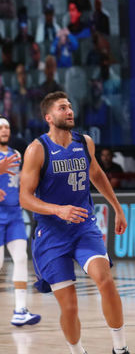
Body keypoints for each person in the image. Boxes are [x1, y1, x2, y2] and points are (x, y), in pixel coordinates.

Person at [19, 91, 130, 354]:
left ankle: (120, 348)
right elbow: (24, 198)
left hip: (83, 227)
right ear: (48, 117)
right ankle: (77, 351)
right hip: (51, 234)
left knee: (105, 280)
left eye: (69, 106)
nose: (69, 111)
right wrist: (58, 210)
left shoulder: (85, 142)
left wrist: (117, 208)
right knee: (69, 306)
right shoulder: (37, 149)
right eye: (61, 108)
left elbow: (97, 175)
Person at [0, 117, 41, 327]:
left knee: (21, 259)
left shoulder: (16, 154)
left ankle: (20, 310)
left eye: (7, 127)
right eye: (0, 127)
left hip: (15, 214)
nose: (4, 130)